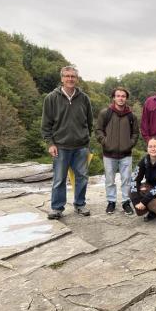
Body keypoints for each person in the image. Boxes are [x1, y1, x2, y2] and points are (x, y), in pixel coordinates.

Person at [42, 66, 93, 220]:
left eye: (73, 76)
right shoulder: (51, 98)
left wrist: (85, 139)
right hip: (60, 147)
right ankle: (57, 208)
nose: (70, 79)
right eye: (67, 76)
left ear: (77, 79)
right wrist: (50, 143)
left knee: (82, 178)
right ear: (62, 78)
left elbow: (89, 122)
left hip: (81, 147)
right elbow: (46, 124)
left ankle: (80, 204)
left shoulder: (84, 98)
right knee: (59, 179)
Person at [95, 87, 140, 215]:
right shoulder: (105, 113)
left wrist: (130, 144)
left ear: (126, 98)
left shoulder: (131, 115)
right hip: (109, 154)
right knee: (110, 179)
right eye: (118, 96)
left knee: (126, 179)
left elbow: (135, 133)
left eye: (123, 96)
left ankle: (126, 202)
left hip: (126, 154)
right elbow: (98, 130)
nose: (121, 98)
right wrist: (105, 142)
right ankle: (111, 202)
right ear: (114, 97)